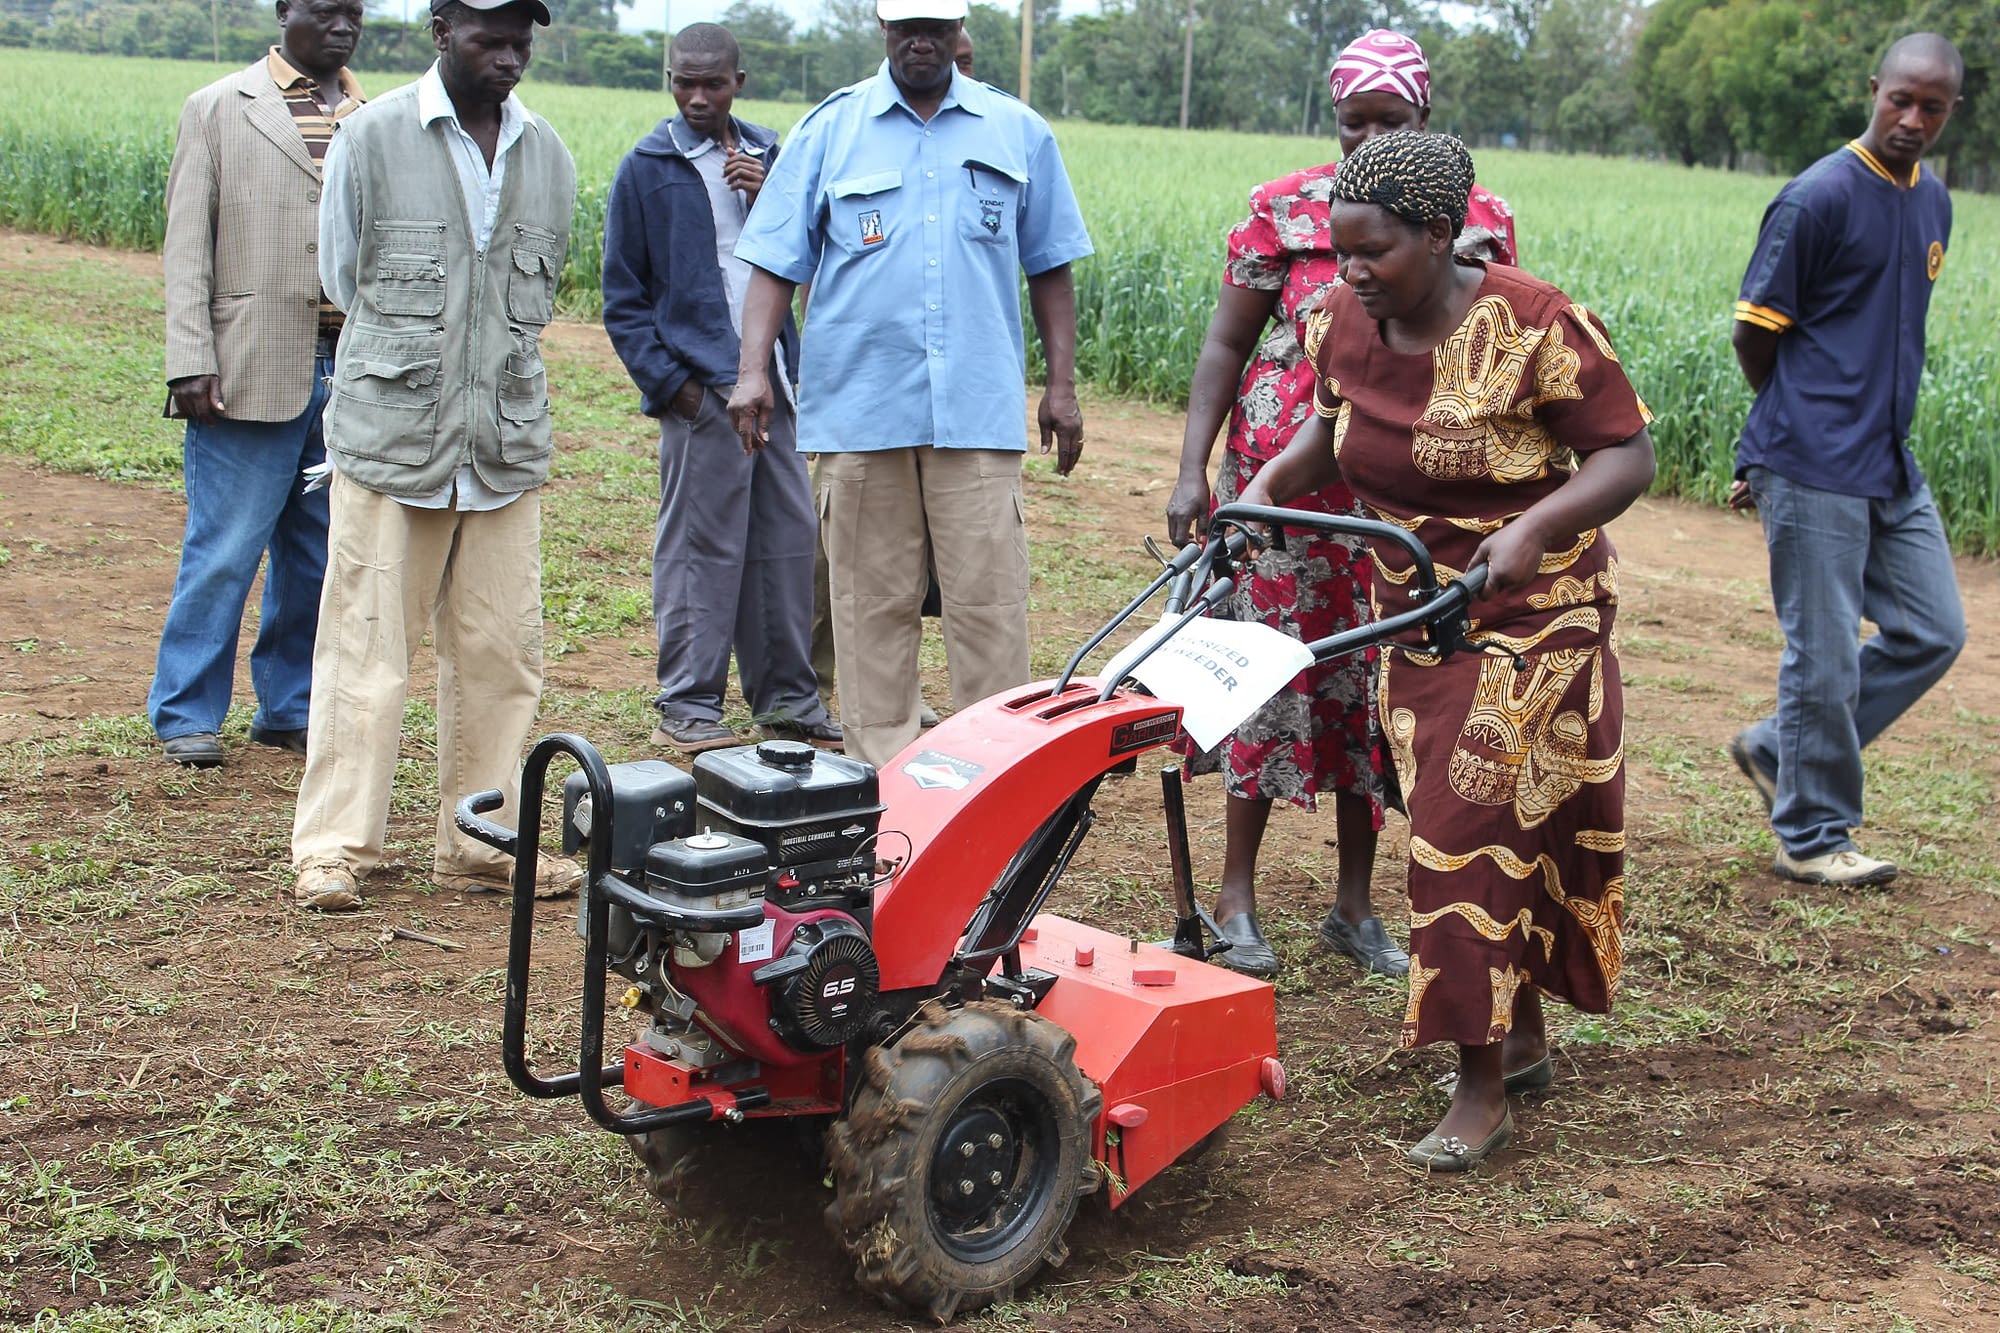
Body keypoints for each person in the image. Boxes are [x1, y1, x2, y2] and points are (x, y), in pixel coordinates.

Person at [1240, 131, 1655, 1170]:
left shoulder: (1534, 326)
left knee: (1457, 832)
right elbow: (1323, 430)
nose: (1350, 273)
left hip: (1533, 615)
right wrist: (1259, 496)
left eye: (1371, 252)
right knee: (1490, 824)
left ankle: (1477, 1086)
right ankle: (1517, 1039)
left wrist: (1530, 528)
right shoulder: (1343, 318)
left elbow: (1626, 453)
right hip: (1417, 615)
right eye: (1339, 253)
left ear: (1438, 234)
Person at [1167, 29, 1519, 979]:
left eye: (1390, 123)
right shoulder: (1282, 210)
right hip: (1281, 490)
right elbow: (1224, 346)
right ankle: (1236, 897)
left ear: (1426, 117)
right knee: (1266, 673)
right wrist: (1196, 469)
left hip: (1399, 494)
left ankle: (1354, 907)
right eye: (1353, 122)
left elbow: (1496, 343)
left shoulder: (1477, 215)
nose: (1367, 140)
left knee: (1375, 685)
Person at [728, 0, 1092, 770]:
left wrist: (1062, 386)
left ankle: (994, 788)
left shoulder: (1016, 130)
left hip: (976, 417)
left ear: (959, 31)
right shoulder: (831, 129)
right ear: (882, 31)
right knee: (869, 613)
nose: (920, 40)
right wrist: (753, 370)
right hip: (862, 413)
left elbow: (1051, 264)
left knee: (990, 613)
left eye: (935, 26)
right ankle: (884, 792)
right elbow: (774, 261)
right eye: (905, 28)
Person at [289, 0, 581, 912]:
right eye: (488, 38)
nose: (507, 56)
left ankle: (482, 840)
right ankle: (333, 847)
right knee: (365, 649)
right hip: (392, 442)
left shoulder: (549, 155)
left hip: (501, 447)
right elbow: (343, 276)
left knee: (501, 652)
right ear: (441, 32)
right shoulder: (372, 138)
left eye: (519, 41)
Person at [1725, 33, 1967, 890]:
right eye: (1899, 99)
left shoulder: (1932, 200)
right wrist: (1784, 429)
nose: (1910, 118)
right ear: (1875, 89)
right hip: (1813, 457)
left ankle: (1773, 748)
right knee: (1822, 655)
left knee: (1935, 630)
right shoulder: (1819, 196)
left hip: (1886, 460)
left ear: (1949, 113)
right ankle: (1813, 832)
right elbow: (1754, 333)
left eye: (1930, 107)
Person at [601, 23, 839, 755]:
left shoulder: (774, 155)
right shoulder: (647, 167)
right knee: (702, 547)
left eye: (713, 82)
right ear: (670, 81)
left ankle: (788, 696)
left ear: (740, 80)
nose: (698, 96)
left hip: (776, 385)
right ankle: (690, 702)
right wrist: (676, 388)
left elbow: (821, 252)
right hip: (704, 395)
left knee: (786, 542)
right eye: (684, 82)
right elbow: (625, 297)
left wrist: (771, 198)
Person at [151, 0, 367, 769]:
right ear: (285, 12)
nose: (341, 26)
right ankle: (185, 712)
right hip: (246, 363)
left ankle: (288, 709)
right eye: (324, 9)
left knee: (316, 556)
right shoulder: (218, 106)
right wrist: (188, 358)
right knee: (224, 550)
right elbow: (185, 244)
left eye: (354, 12)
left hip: (349, 372)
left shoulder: (374, 116)